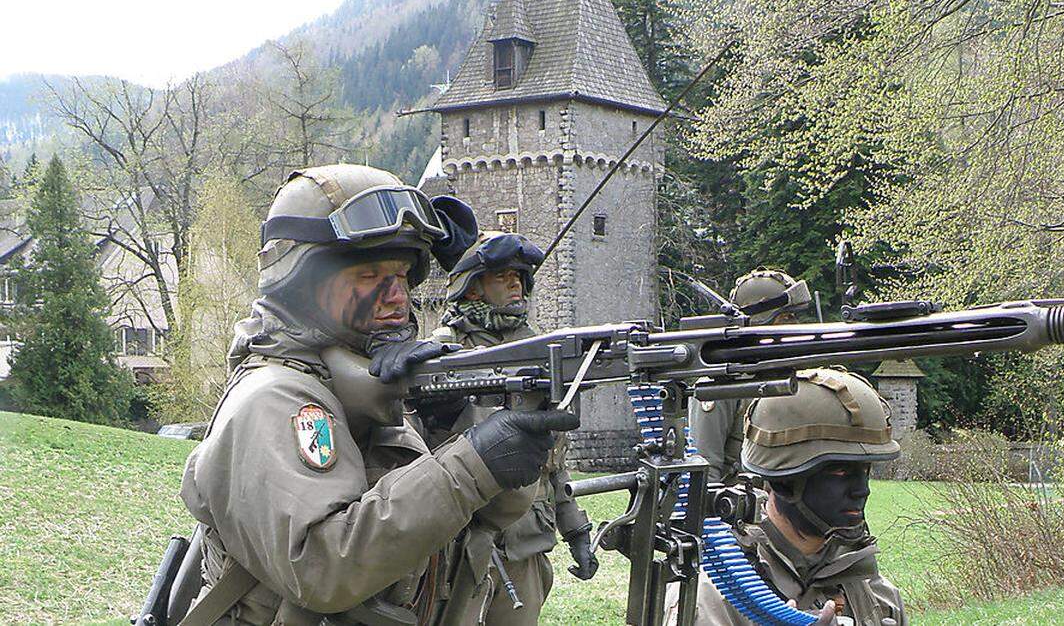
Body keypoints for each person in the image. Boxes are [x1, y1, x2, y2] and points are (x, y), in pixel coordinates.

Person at [177, 165, 579, 625]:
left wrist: (454, 425)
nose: (397, 298)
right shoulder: (273, 399)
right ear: (302, 283)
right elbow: (322, 568)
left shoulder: (370, 387)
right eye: (370, 276)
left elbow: (490, 520)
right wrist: (471, 463)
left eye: (404, 276)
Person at [427, 231, 598, 626]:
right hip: (458, 544)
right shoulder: (441, 356)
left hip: (524, 546)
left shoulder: (541, 350)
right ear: (472, 289)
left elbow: (552, 457)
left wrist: (575, 529)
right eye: (502, 275)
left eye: (519, 276)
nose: (515, 283)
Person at [671, 367, 907, 626]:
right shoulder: (717, 594)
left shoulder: (870, 590)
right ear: (783, 481)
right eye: (839, 471)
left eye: (865, 470)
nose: (862, 490)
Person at [689, 268, 812, 485]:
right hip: (740, 511)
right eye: (786, 317)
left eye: (795, 317)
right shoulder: (720, 386)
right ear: (759, 321)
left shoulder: (797, 377)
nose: (795, 325)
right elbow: (705, 471)